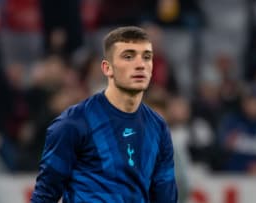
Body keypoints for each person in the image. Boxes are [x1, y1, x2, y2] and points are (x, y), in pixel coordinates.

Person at [31, 26, 178, 202]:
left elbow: (166, 197)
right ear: (107, 68)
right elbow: (45, 195)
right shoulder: (74, 123)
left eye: (146, 57)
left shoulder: (158, 127)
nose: (140, 65)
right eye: (128, 57)